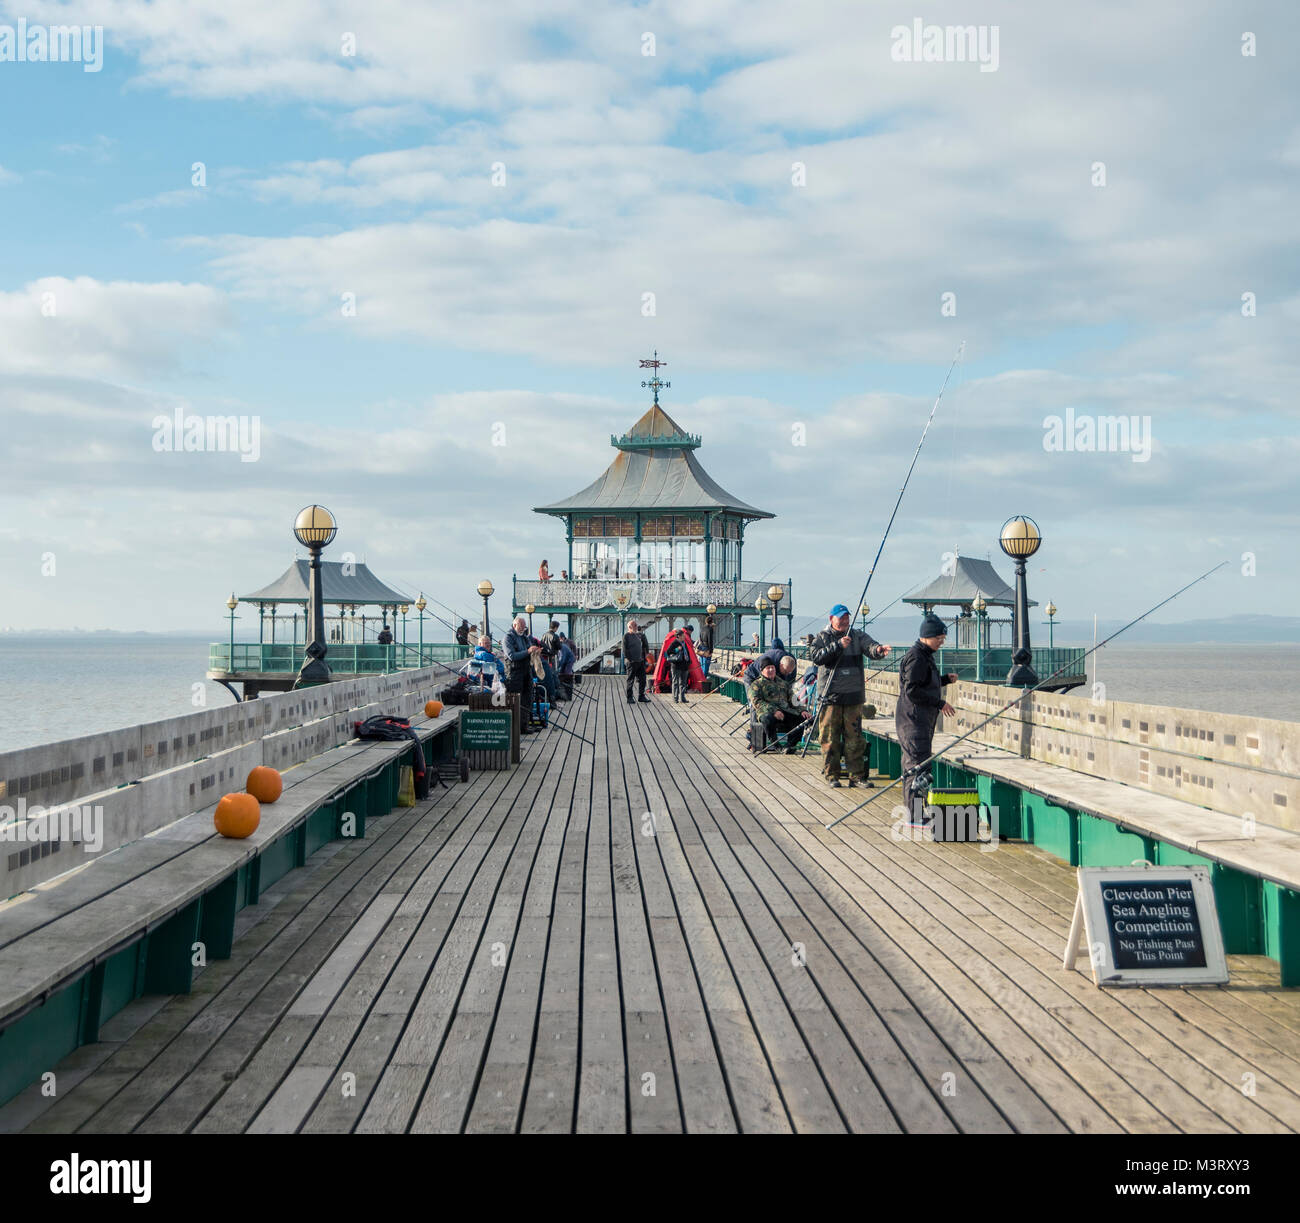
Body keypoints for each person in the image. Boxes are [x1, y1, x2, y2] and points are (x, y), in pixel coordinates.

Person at [807, 602, 891, 789]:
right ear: (831, 619)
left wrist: (878, 650)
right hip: (830, 697)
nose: (845, 621)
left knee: (855, 740)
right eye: (841, 617)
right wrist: (838, 645)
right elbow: (816, 657)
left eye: (847, 617)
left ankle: (857, 777)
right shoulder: (822, 637)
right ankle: (832, 776)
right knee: (830, 739)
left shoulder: (857, 635)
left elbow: (870, 646)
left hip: (853, 697)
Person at [896, 613, 959, 824]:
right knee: (917, 767)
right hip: (913, 721)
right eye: (939, 638)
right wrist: (940, 703)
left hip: (919, 720)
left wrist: (943, 680)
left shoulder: (925, 655)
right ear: (927, 636)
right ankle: (914, 816)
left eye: (943, 638)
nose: (941, 642)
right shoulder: (916, 657)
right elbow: (912, 691)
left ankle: (916, 813)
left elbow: (923, 684)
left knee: (919, 765)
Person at [749, 657, 811, 754]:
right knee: (767, 719)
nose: (771, 670)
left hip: (785, 711)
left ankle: (790, 745)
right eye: (768, 668)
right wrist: (774, 711)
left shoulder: (783, 683)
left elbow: (794, 700)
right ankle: (776, 745)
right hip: (767, 712)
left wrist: (803, 710)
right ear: (762, 670)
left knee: (802, 719)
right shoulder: (756, 684)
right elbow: (757, 702)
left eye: (772, 667)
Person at [505, 615, 545, 732]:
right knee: (516, 700)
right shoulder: (508, 638)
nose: (523, 628)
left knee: (528, 699)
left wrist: (535, 651)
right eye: (521, 626)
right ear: (514, 625)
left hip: (526, 672)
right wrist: (528, 651)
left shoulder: (524, 637)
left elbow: (529, 650)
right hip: (514, 674)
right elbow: (511, 656)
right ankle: (515, 728)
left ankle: (524, 725)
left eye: (524, 626)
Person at [623, 618, 651, 704]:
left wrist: (646, 653)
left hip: (640, 661)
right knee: (630, 680)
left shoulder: (640, 635)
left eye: (636, 625)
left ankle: (641, 696)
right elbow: (625, 649)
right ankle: (629, 697)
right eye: (635, 625)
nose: (636, 627)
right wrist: (630, 659)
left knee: (643, 679)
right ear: (630, 627)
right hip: (631, 662)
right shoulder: (626, 636)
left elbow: (645, 645)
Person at [663, 629, 692, 704]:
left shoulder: (684, 643)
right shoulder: (674, 643)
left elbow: (687, 653)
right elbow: (667, 653)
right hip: (676, 665)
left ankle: (682, 698)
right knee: (675, 682)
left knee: (683, 683)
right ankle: (675, 699)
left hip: (684, 665)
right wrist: (676, 649)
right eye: (683, 636)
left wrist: (689, 662)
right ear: (678, 636)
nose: (684, 637)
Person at [556, 633, 576, 699]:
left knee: (567, 672)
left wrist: (559, 667)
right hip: (567, 659)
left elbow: (563, 658)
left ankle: (569, 685)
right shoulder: (561, 646)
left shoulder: (562, 647)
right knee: (562, 672)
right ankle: (564, 685)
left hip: (570, 660)